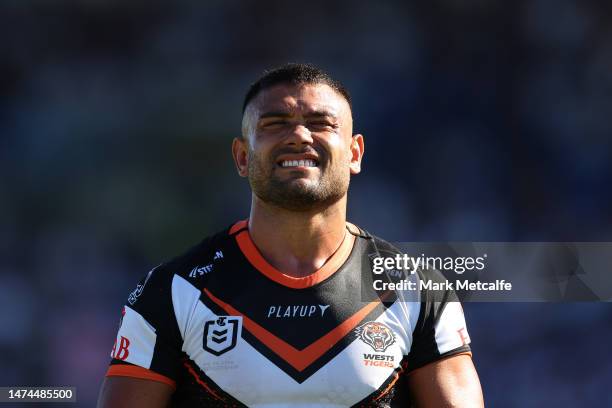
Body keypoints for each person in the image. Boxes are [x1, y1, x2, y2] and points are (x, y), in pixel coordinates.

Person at [97, 63, 484, 407]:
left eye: (321, 123)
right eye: (274, 124)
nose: (299, 135)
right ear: (242, 157)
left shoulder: (418, 291)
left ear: (355, 153)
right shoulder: (173, 292)